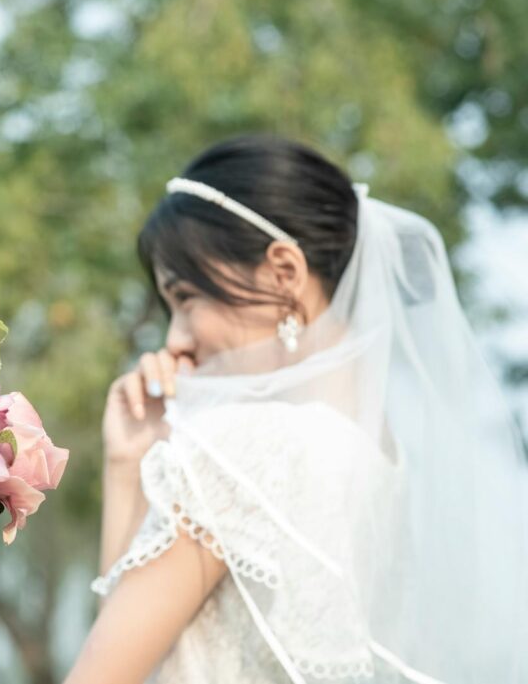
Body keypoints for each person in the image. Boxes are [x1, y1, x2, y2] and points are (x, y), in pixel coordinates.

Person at [66, 135, 528, 683]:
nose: (176, 340)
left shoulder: (243, 447)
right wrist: (130, 466)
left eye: (186, 297)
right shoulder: (381, 461)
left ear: (284, 272)